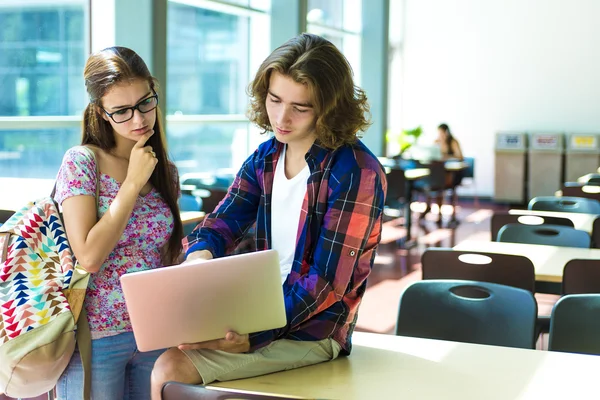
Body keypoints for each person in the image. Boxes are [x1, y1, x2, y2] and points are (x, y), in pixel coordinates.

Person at [150, 33, 387, 398]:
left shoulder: (356, 171)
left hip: (315, 329)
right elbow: (221, 221)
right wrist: (199, 256)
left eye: (300, 107)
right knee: (164, 339)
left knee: (170, 368)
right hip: (257, 308)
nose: (281, 117)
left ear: (329, 108)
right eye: (275, 100)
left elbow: (325, 283)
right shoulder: (267, 156)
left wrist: (253, 334)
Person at [53, 46, 183, 399]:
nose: (138, 119)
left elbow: (165, 258)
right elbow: (89, 256)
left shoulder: (165, 172)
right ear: (102, 113)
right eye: (122, 111)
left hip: (154, 335)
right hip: (95, 338)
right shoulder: (82, 162)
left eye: (145, 103)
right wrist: (131, 184)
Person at [419, 123, 464, 225]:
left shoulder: (453, 142)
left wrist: (447, 156)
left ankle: (443, 213)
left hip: (453, 174)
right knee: (434, 181)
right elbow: (432, 154)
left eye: (442, 133)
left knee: (441, 183)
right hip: (439, 172)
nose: (441, 135)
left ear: (447, 132)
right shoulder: (436, 142)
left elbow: (460, 157)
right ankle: (429, 207)